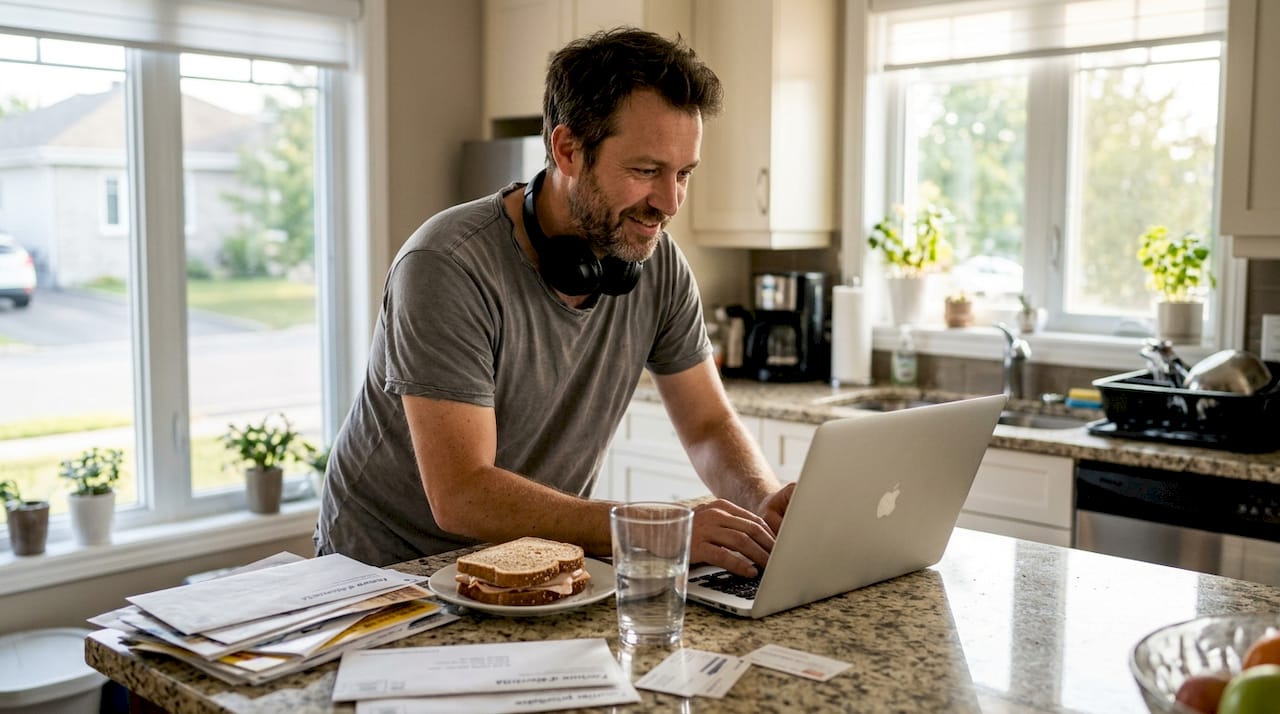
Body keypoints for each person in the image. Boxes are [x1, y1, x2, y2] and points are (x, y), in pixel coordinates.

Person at [314, 27, 794, 576]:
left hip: (533, 561)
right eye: (646, 171)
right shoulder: (446, 264)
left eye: (683, 173)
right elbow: (462, 491)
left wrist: (763, 501)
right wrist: (649, 530)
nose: (669, 202)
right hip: (388, 572)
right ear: (568, 150)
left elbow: (708, 423)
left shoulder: (657, 263)